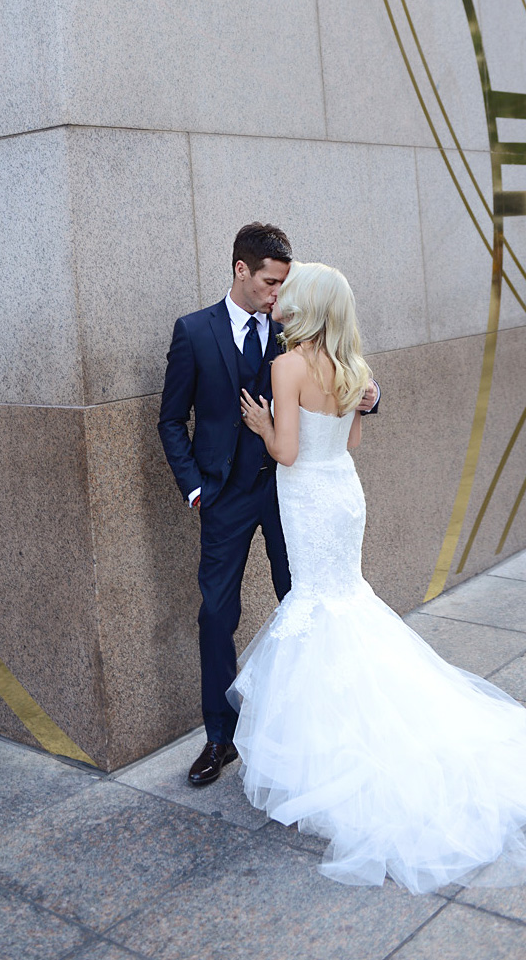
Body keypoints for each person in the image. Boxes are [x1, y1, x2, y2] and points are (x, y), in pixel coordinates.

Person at [234, 261, 526, 893]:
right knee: (343, 599)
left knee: (319, 602)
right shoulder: (354, 368)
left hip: (308, 496)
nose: (281, 299)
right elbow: (353, 441)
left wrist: (262, 426)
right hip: (343, 492)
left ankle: (335, 746)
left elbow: (285, 451)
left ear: (307, 304)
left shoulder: (287, 367)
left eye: (292, 292)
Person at [158, 224, 378, 787]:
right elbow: (170, 420)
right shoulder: (193, 331)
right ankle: (218, 738)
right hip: (225, 497)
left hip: (294, 495)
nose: (278, 294)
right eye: (269, 282)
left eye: (285, 284)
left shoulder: (293, 330)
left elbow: (341, 373)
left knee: (305, 607)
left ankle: (319, 732)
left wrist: (372, 399)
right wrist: (194, 486)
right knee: (216, 614)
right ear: (240, 270)